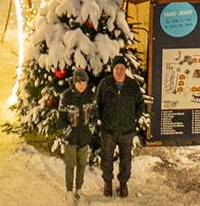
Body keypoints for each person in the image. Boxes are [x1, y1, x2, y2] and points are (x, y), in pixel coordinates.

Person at [95, 61, 146, 198]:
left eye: (122, 68)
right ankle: (107, 184)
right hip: (108, 130)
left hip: (126, 131)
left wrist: (133, 119)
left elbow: (140, 104)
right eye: (117, 68)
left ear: (125, 70)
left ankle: (123, 185)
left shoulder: (132, 85)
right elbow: (98, 104)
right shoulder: (105, 84)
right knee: (106, 158)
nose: (119, 71)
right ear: (113, 69)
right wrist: (102, 119)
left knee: (126, 160)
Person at [60, 68, 97, 201]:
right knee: (70, 165)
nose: (82, 85)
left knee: (82, 164)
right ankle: (69, 191)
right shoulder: (66, 96)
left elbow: (94, 116)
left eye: (84, 82)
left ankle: (79, 189)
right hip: (71, 137)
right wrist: (68, 133)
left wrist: (90, 131)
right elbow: (61, 118)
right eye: (79, 82)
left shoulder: (90, 96)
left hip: (84, 137)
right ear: (74, 82)